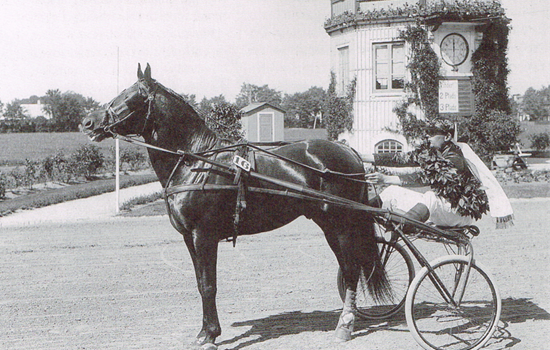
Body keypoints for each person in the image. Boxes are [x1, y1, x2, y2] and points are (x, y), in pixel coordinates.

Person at [366, 122, 513, 229]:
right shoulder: (432, 151)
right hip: (443, 207)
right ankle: (363, 215)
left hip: (458, 213)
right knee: (392, 191)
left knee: (430, 196)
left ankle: (403, 228)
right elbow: (402, 158)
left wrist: (385, 178)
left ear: (447, 136)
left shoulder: (455, 157)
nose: (427, 137)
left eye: (432, 133)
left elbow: (424, 177)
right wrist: (361, 157)